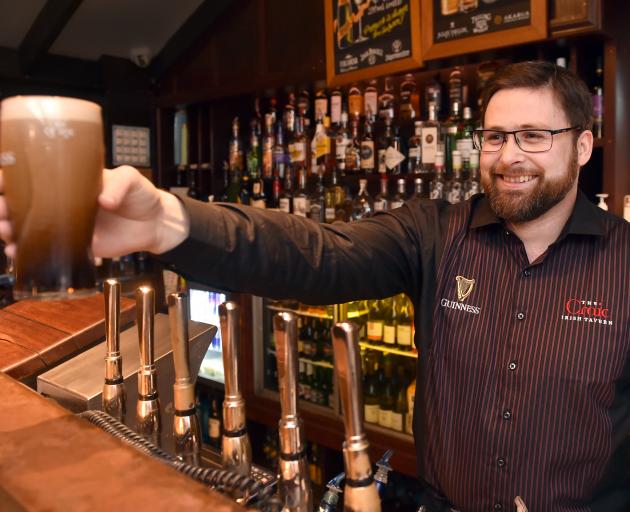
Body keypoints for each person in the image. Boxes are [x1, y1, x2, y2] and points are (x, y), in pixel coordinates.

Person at [1, 61, 628, 511]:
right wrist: (169, 220)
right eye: (495, 136)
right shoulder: (438, 235)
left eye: (534, 137)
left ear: (582, 147)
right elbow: (315, 253)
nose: (508, 154)